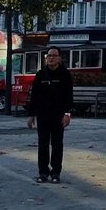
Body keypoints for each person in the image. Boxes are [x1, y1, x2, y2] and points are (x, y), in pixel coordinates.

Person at [26, 46, 74, 183]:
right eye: (48, 56)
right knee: (43, 145)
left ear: (59, 58)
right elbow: (34, 96)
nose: (51, 58)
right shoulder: (41, 74)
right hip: (43, 115)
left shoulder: (65, 74)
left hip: (58, 115)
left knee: (57, 145)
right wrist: (31, 115)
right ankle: (43, 172)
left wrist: (67, 114)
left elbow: (68, 96)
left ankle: (55, 173)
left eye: (53, 55)